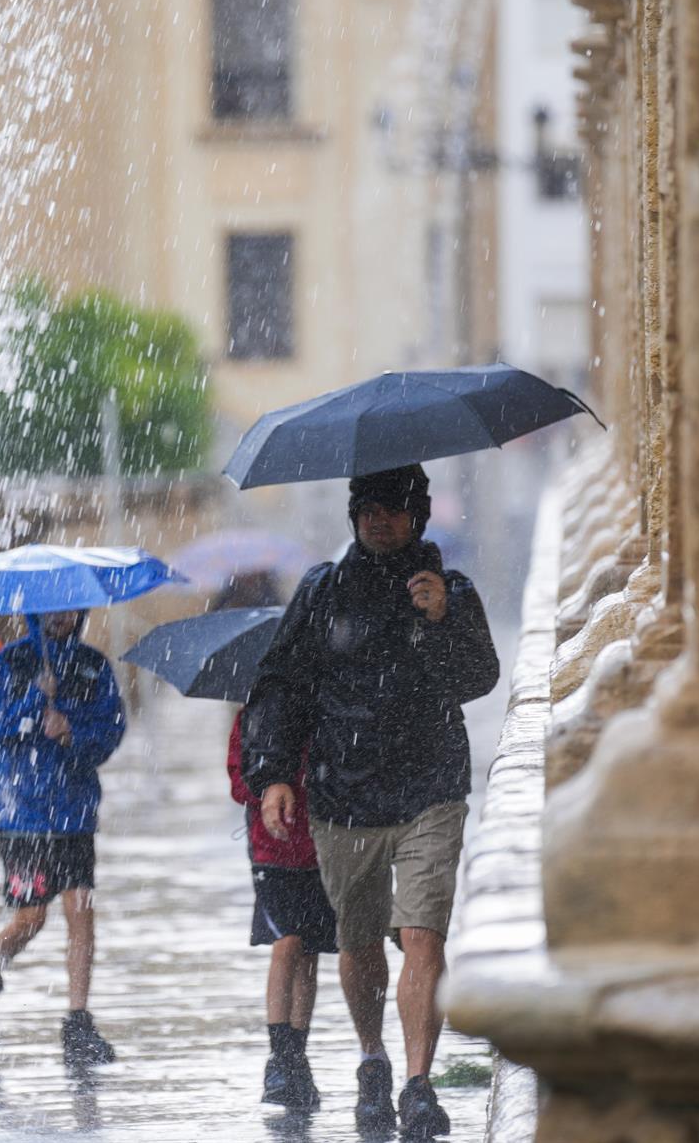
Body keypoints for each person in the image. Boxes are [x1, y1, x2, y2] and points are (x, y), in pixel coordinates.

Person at [242, 464, 500, 1141]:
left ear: (417, 514)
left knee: (422, 933)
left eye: (391, 508)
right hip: (343, 796)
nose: (377, 519)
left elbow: (479, 676)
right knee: (358, 942)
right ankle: (373, 1061)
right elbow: (280, 684)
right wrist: (272, 774)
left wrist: (443, 618)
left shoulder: (449, 592)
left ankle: (419, 1082)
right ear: (352, 514)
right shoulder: (323, 592)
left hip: (431, 790)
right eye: (366, 508)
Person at [0, 610, 127, 1067]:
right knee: (31, 918)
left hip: (74, 812)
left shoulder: (93, 666)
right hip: (23, 814)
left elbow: (111, 731)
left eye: (71, 610)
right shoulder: (12, 661)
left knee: (80, 909)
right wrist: (35, 701)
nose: (62, 618)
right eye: (53, 610)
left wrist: (74, 732)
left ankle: (77, 1020)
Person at [228, 707, 335, 1111]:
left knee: (309, 952)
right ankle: (279, 1055)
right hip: (271, 850)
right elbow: (238, 781)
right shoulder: (254, 716)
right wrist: (271, 786)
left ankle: (297, 1054)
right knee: (286, 942)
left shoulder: (324, 709)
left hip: (320, 847)